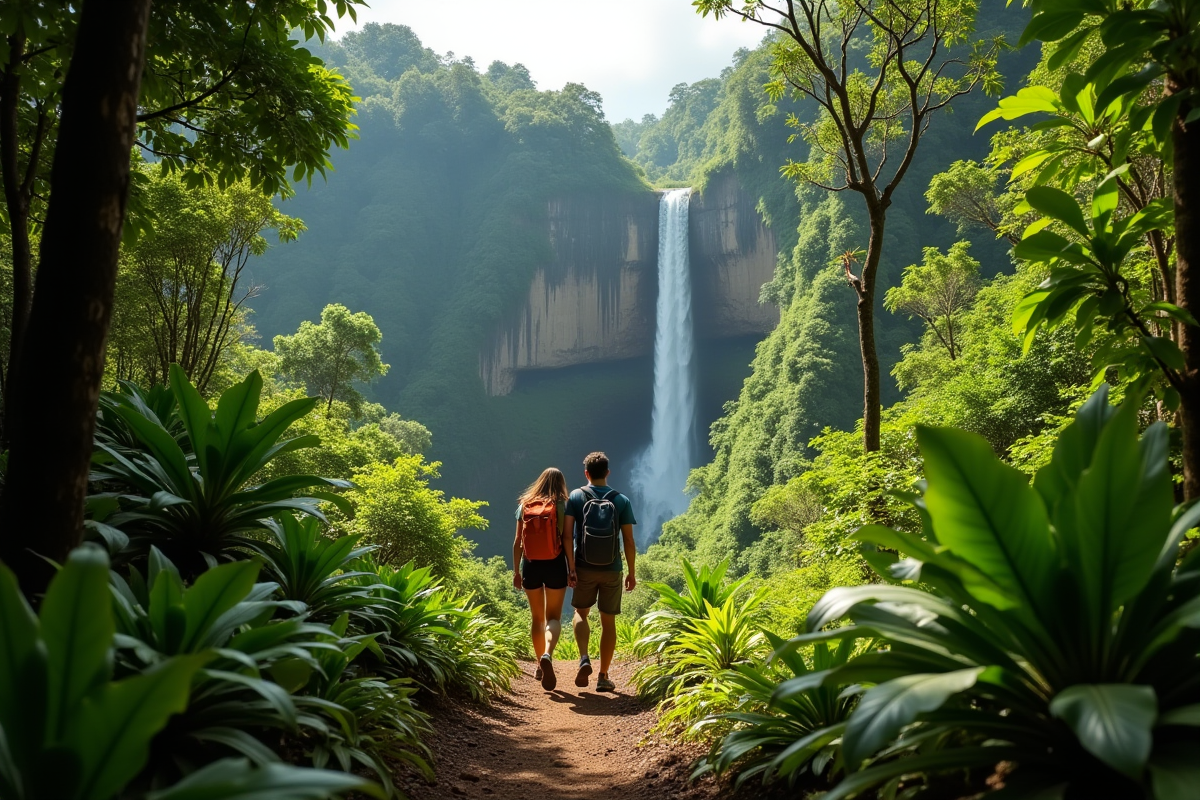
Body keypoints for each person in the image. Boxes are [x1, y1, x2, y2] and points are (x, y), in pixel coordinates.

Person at [564, 451, 636, 693]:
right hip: (612, 569)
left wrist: (571, 567)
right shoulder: (621, 500)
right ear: (607, 473)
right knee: (608, 622)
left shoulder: (575, 497)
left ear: (586, 474)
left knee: (580, 613)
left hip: (584, 566)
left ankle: (584, 657)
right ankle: (603, 676)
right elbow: (628, 540)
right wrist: (631, 572)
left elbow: (566, 535)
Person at [513, 467, 571, 691]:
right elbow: (566, 538)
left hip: (531, 564)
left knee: (537, 618)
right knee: (553, 617)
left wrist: (516, 572)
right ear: (560, 484)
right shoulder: (563, 505)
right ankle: (548, 653)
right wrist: (572, 567)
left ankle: (539, 664)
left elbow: (518, 541)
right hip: (556, 563)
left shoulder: (525, 504)